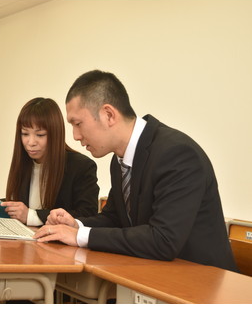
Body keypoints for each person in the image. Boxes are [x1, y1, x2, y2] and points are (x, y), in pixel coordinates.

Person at [34, 70, 238, 272]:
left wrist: (79, 237)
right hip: (155, 274)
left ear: (108, 115)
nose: (76, 136)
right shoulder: (120, 159)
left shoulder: (177, 154)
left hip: (204, 285)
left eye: (78, 124)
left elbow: (163, 240)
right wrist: (76, 225)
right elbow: (114, 218)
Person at [2, 97, 99, 226]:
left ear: (55, 134)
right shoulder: (24, 163)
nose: (30, 143)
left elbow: (87, 215)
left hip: (58, 244)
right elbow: (20, 206)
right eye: (25, 134)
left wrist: (31, 216)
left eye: (40, 135)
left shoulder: (81, 167)